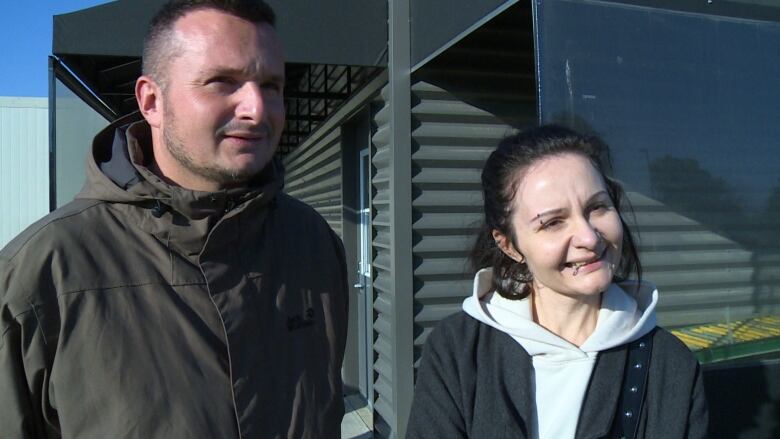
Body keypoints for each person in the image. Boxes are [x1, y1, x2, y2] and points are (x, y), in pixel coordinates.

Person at [0, 1, 348, 437]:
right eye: (222, 81)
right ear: (152, 101)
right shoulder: (39, 275)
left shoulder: (313, 243)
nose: (257, 109)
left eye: (271, 85)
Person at [406, 125, 708, 439]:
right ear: (509, 245)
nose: (589, 237)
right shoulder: (458, 350)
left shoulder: (670, 365)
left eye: (597, 207)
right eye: (552, 222)